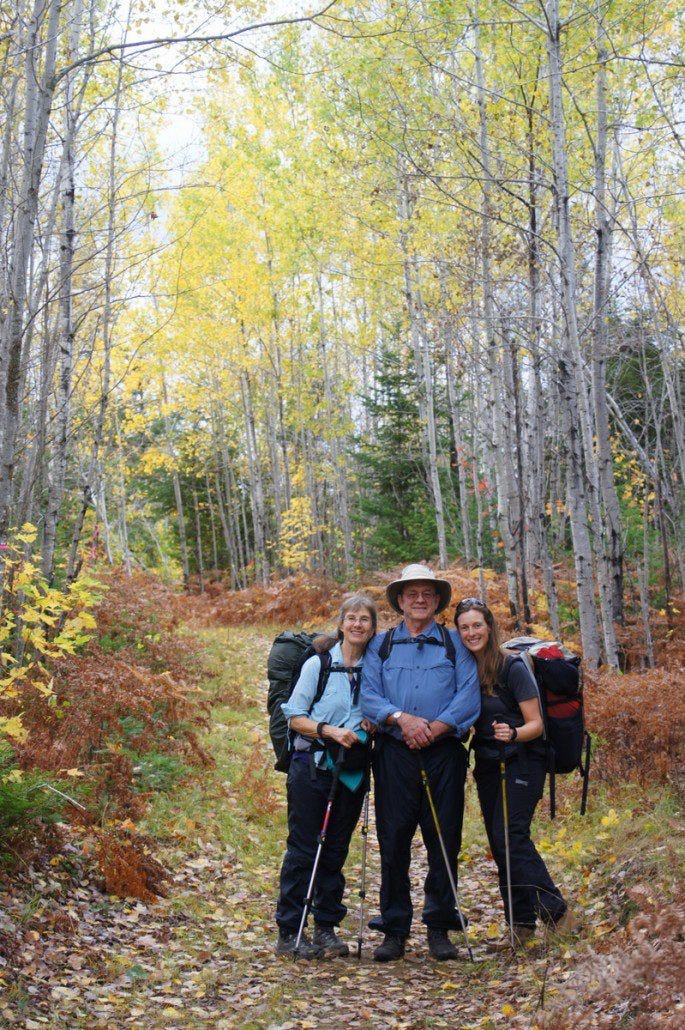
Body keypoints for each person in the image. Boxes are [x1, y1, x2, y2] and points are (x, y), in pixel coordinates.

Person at [360, 564, 480, 962]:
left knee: (444, 839)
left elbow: (469, 695)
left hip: (444, 752)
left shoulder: (454, 643)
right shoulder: (382, 644)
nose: (420, 599)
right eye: (412, 593)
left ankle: (440, 928)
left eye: (427, 594)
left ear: (437, 601)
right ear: (400, 600)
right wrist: (402, 719)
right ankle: (393, 930)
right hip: (394, 754)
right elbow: (370, 696)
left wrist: (437, 727)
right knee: (393, 840)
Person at [455, 597, 578, 946]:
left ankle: (557, 914)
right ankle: (520, 926)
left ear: (490, 627)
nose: (471, 632)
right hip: (490, 765)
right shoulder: (467, 669)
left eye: (477, 625)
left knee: (511, 836)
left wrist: (514, 733)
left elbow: (536, 724)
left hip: (524, 760)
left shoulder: (512, 667)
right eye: (464, 627)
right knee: (499, 841)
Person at [275, 595, 378, 959]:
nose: (357, 625)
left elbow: (382, 710)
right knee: (304, 848)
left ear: (372, 627)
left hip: (350, 771)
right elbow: (295, 716)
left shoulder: (375, 668)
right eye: (351, 618)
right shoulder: (318, 665)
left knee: (335, 849)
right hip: (311, 766)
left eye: (365, 619)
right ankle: (290, 930)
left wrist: (374, 721)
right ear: (341, 623)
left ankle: (326, 928)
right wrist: (331, 731)